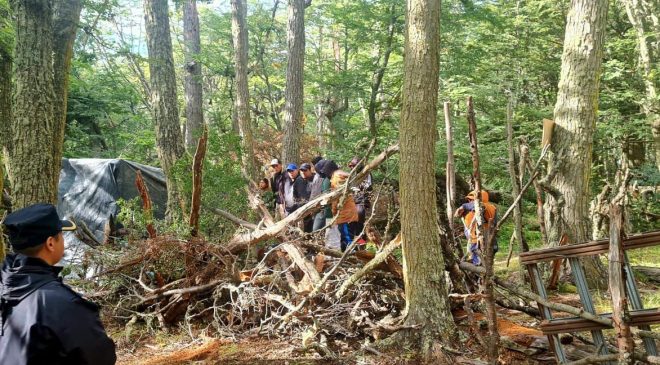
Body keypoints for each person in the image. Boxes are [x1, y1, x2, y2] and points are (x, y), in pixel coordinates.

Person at [0, 203, 117, 365]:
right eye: (61, 235)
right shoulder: (60, 304)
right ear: (50, 243)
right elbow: (101, 358)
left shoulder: (4, 288)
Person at [322, 161, 359, 252]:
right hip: (347, 213)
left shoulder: (336, 178)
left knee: (347, 238)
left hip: (345, 215)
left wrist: (334, 211)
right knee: (346, 237)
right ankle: (348, 256)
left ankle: (352, 257)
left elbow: (337, 198)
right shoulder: (340, 176)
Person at [454, 190, 498, 265]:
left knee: (478, 263)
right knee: (488, 262)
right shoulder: (493, 207)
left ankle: (482, 274)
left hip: (477, 241)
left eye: (471, 199)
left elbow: (475, 205)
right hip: (490, 239)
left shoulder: (480, 206)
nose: (469, 201)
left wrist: (463, 206)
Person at [347, 157, 372, 244]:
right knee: (350, 222)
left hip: (362, 201)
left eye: (353, 166)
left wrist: (358, 188)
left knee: (359, 217)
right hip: (352, 202)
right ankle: (351, 244)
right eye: (351, 166)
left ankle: (361, 241)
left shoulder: (366, 173)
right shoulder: (352, 175)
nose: (351, 168)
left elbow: (368, 186)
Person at [299, 163, 316, 232]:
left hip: (315, 207)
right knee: (307, 228)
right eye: (301, 171)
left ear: (310, 170)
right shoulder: (300, 180)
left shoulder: (316, 178)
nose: (303, 172)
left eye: (305, 170)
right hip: (305, 208)